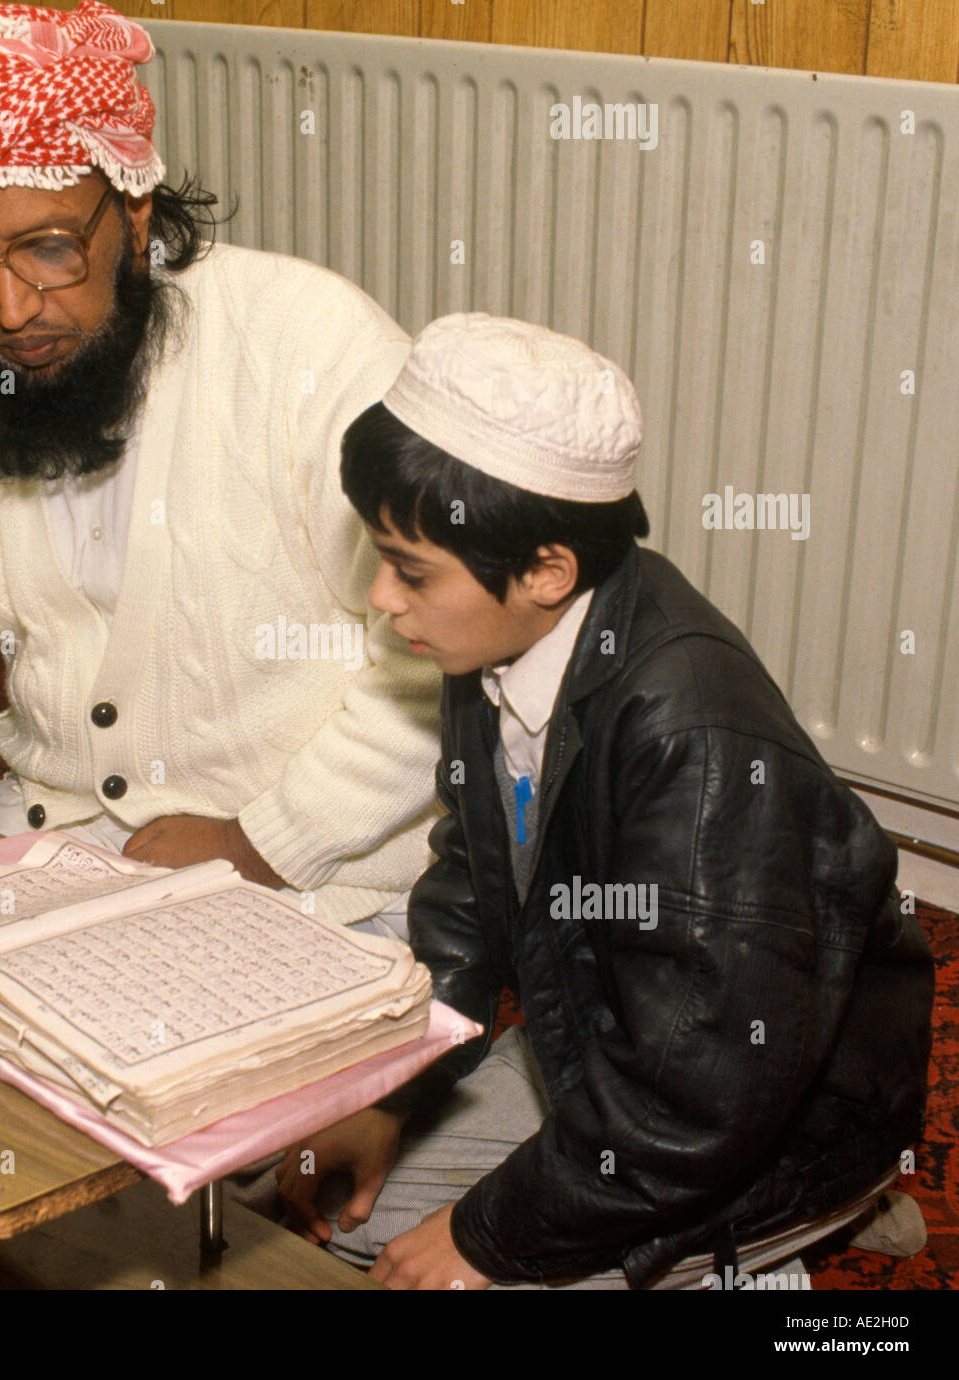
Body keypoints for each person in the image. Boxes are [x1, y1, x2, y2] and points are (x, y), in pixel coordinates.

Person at [0, 0, 441, 935]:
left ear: (135, 210)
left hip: (337, 871)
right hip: (57, 842)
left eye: (48, 248)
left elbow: (436, 659)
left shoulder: (307, 346)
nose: (9, 307)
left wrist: (268, 838)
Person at [276, 314, 935, 1288]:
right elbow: (469, 883)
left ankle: (795, 1238)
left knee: (449, 1272)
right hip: (604, 1044)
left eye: (409, 570)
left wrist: (488, 1236)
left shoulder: (699, 748)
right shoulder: (496, 629)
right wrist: (394, 1088)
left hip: (763, 1123)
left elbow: (698, 1095)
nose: (382, 596)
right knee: (331, 1214)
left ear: (546, 569)